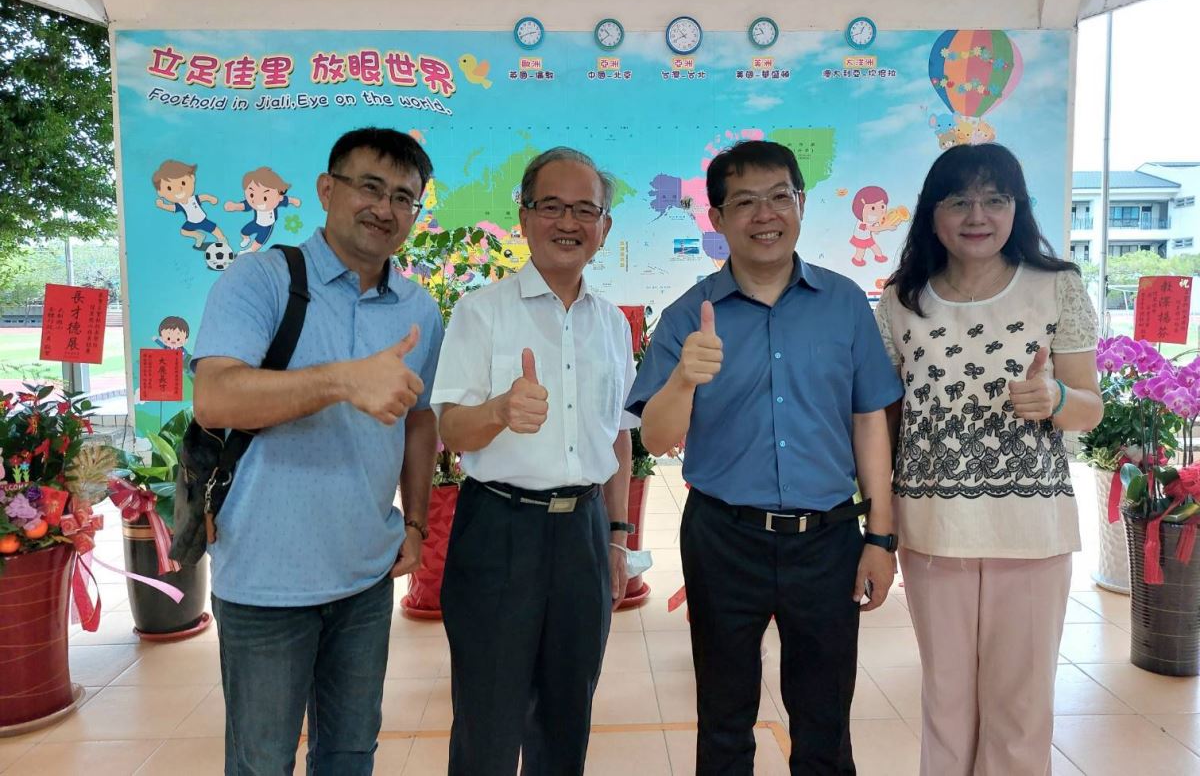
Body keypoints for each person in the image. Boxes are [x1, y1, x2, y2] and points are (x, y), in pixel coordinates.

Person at [627, 140, 902, 775]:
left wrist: (881, 538)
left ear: (801, 204)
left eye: (780, 196)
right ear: (718, 218)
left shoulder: (843, 304)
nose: (765, 214)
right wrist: (683, 380)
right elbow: (655, 439)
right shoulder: (687, 316)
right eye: (745, 201)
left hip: (828, 538)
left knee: (825, 722)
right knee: (724, 720)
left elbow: (869, 421)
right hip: (724, 536)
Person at [190, 127, 443, 775]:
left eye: (403, 197)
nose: (385, 208)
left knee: (350, 753)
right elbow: (215, 397)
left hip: (365, 575)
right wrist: (341, 380)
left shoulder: (419, 310)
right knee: (262, 761)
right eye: (370, 187)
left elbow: (420, 422)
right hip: (264, 578)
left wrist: (416, 522)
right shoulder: (261, 279)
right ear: (328, 190)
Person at [874, 143, 1102, 776]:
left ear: (1016, 209)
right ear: (933, 213)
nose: (977, 215)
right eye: (959, 201)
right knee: (945, 701)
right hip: (932, 529)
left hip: (1032, 530)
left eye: (994, 200)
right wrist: (878, 520)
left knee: (1020, 708)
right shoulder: (901, 300)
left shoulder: (1056, 286)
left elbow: (1090, 407)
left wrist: (1056, 398)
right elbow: (884, 422)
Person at [431, 146, 637, 776]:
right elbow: (450, 427)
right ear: (523, 217)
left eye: (584, 210)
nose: (568, 222)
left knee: (567, 716)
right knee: (488, 723)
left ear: (604, 227)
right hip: (499, 530)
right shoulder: (481, 312)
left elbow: (619, 437)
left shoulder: (613, 324)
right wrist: (499, 410)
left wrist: (618, 535)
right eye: (551, 206)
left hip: (583, 534)